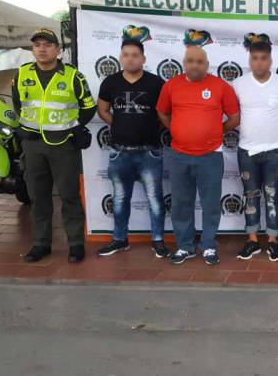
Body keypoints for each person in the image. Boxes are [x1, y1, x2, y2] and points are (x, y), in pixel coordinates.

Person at [13, 28, 97, 263]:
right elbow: (19, 105)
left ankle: (75, 244)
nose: (42, 48)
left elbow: (88, 107)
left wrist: (74, 128)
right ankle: (41, 244)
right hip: (32, 145)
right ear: (32, 50)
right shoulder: (21, 75)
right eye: (37, 44)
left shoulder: (73, 76)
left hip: (63, 145)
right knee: (38, 197)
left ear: (58, 51)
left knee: (69, 195)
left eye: (47, 44)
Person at [156, 46, 240, 265]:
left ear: (207, 64)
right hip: (179, 155)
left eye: (199, 61)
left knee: (211, 203)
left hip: (210, 156)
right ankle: (185, 246)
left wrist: (214, 133)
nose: (195, 65)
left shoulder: (221, 86)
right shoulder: (171, 86)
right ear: (184, 63)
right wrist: (177, 129)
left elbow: (234, 117)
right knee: (181, 203)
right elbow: (162, 113)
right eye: (190, 61)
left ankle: (209, 246)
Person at [96, 39, 170, 259]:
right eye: (126, 54)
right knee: (120, 199)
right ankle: (120, 240)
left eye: (135, 55)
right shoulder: (110, 82)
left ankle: (158, 240)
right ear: (121, 57)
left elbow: (164, 114)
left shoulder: (156, 83)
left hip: (149, 151)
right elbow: (102, 109)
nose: (130, 58)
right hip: (120, 152)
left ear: (143, 59)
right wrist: (119, 126)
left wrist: (144, 127)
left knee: (155, 199)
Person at [232, 41, 278, 262]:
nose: (259, 62)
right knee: (250, 197)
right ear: (249, 60)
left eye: (263, 58)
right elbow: (231, 116)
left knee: (272, 196)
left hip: (276, 150)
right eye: (255, 58)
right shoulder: (238, 85)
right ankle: (252, 241)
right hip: (247, 150)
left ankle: (273, 242)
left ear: (271, 60)